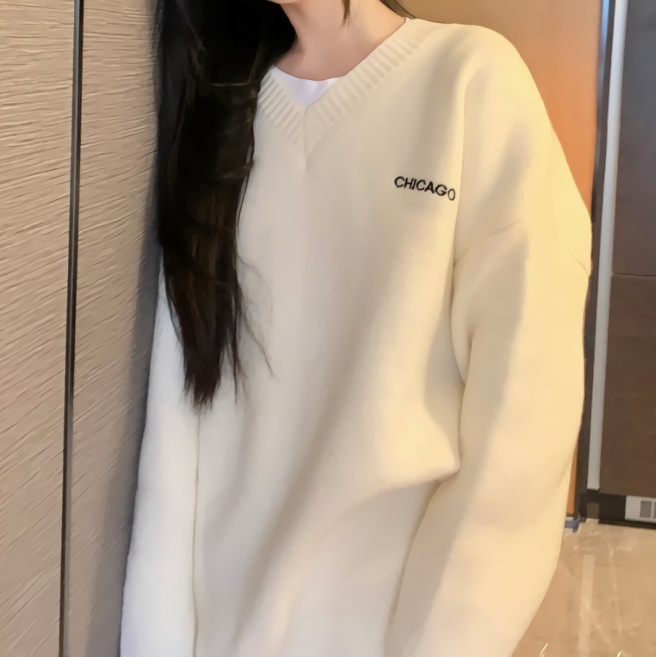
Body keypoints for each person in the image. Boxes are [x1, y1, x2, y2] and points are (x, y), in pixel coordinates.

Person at [120, 0, 592, 656]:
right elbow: (179, 423)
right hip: (225, 631)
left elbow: (524, 418)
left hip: (390, 632)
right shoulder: (214, 111)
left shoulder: (470, 80)